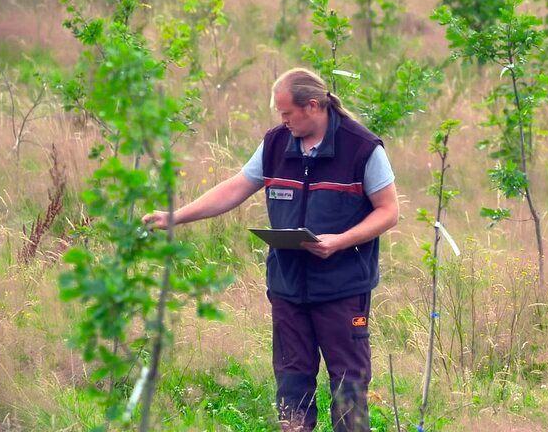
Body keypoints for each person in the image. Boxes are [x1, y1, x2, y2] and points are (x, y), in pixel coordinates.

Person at [143, 68, 399, 431]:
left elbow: (389, 212)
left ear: (312, 106)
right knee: (292, 384)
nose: (283, 121)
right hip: (288, 288)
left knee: (349, 385)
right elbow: (235, 188)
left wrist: (338, 242)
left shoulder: (362, 148)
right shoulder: (277, 143)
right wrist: (176, 217)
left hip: (343, 290)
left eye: (287, 113)